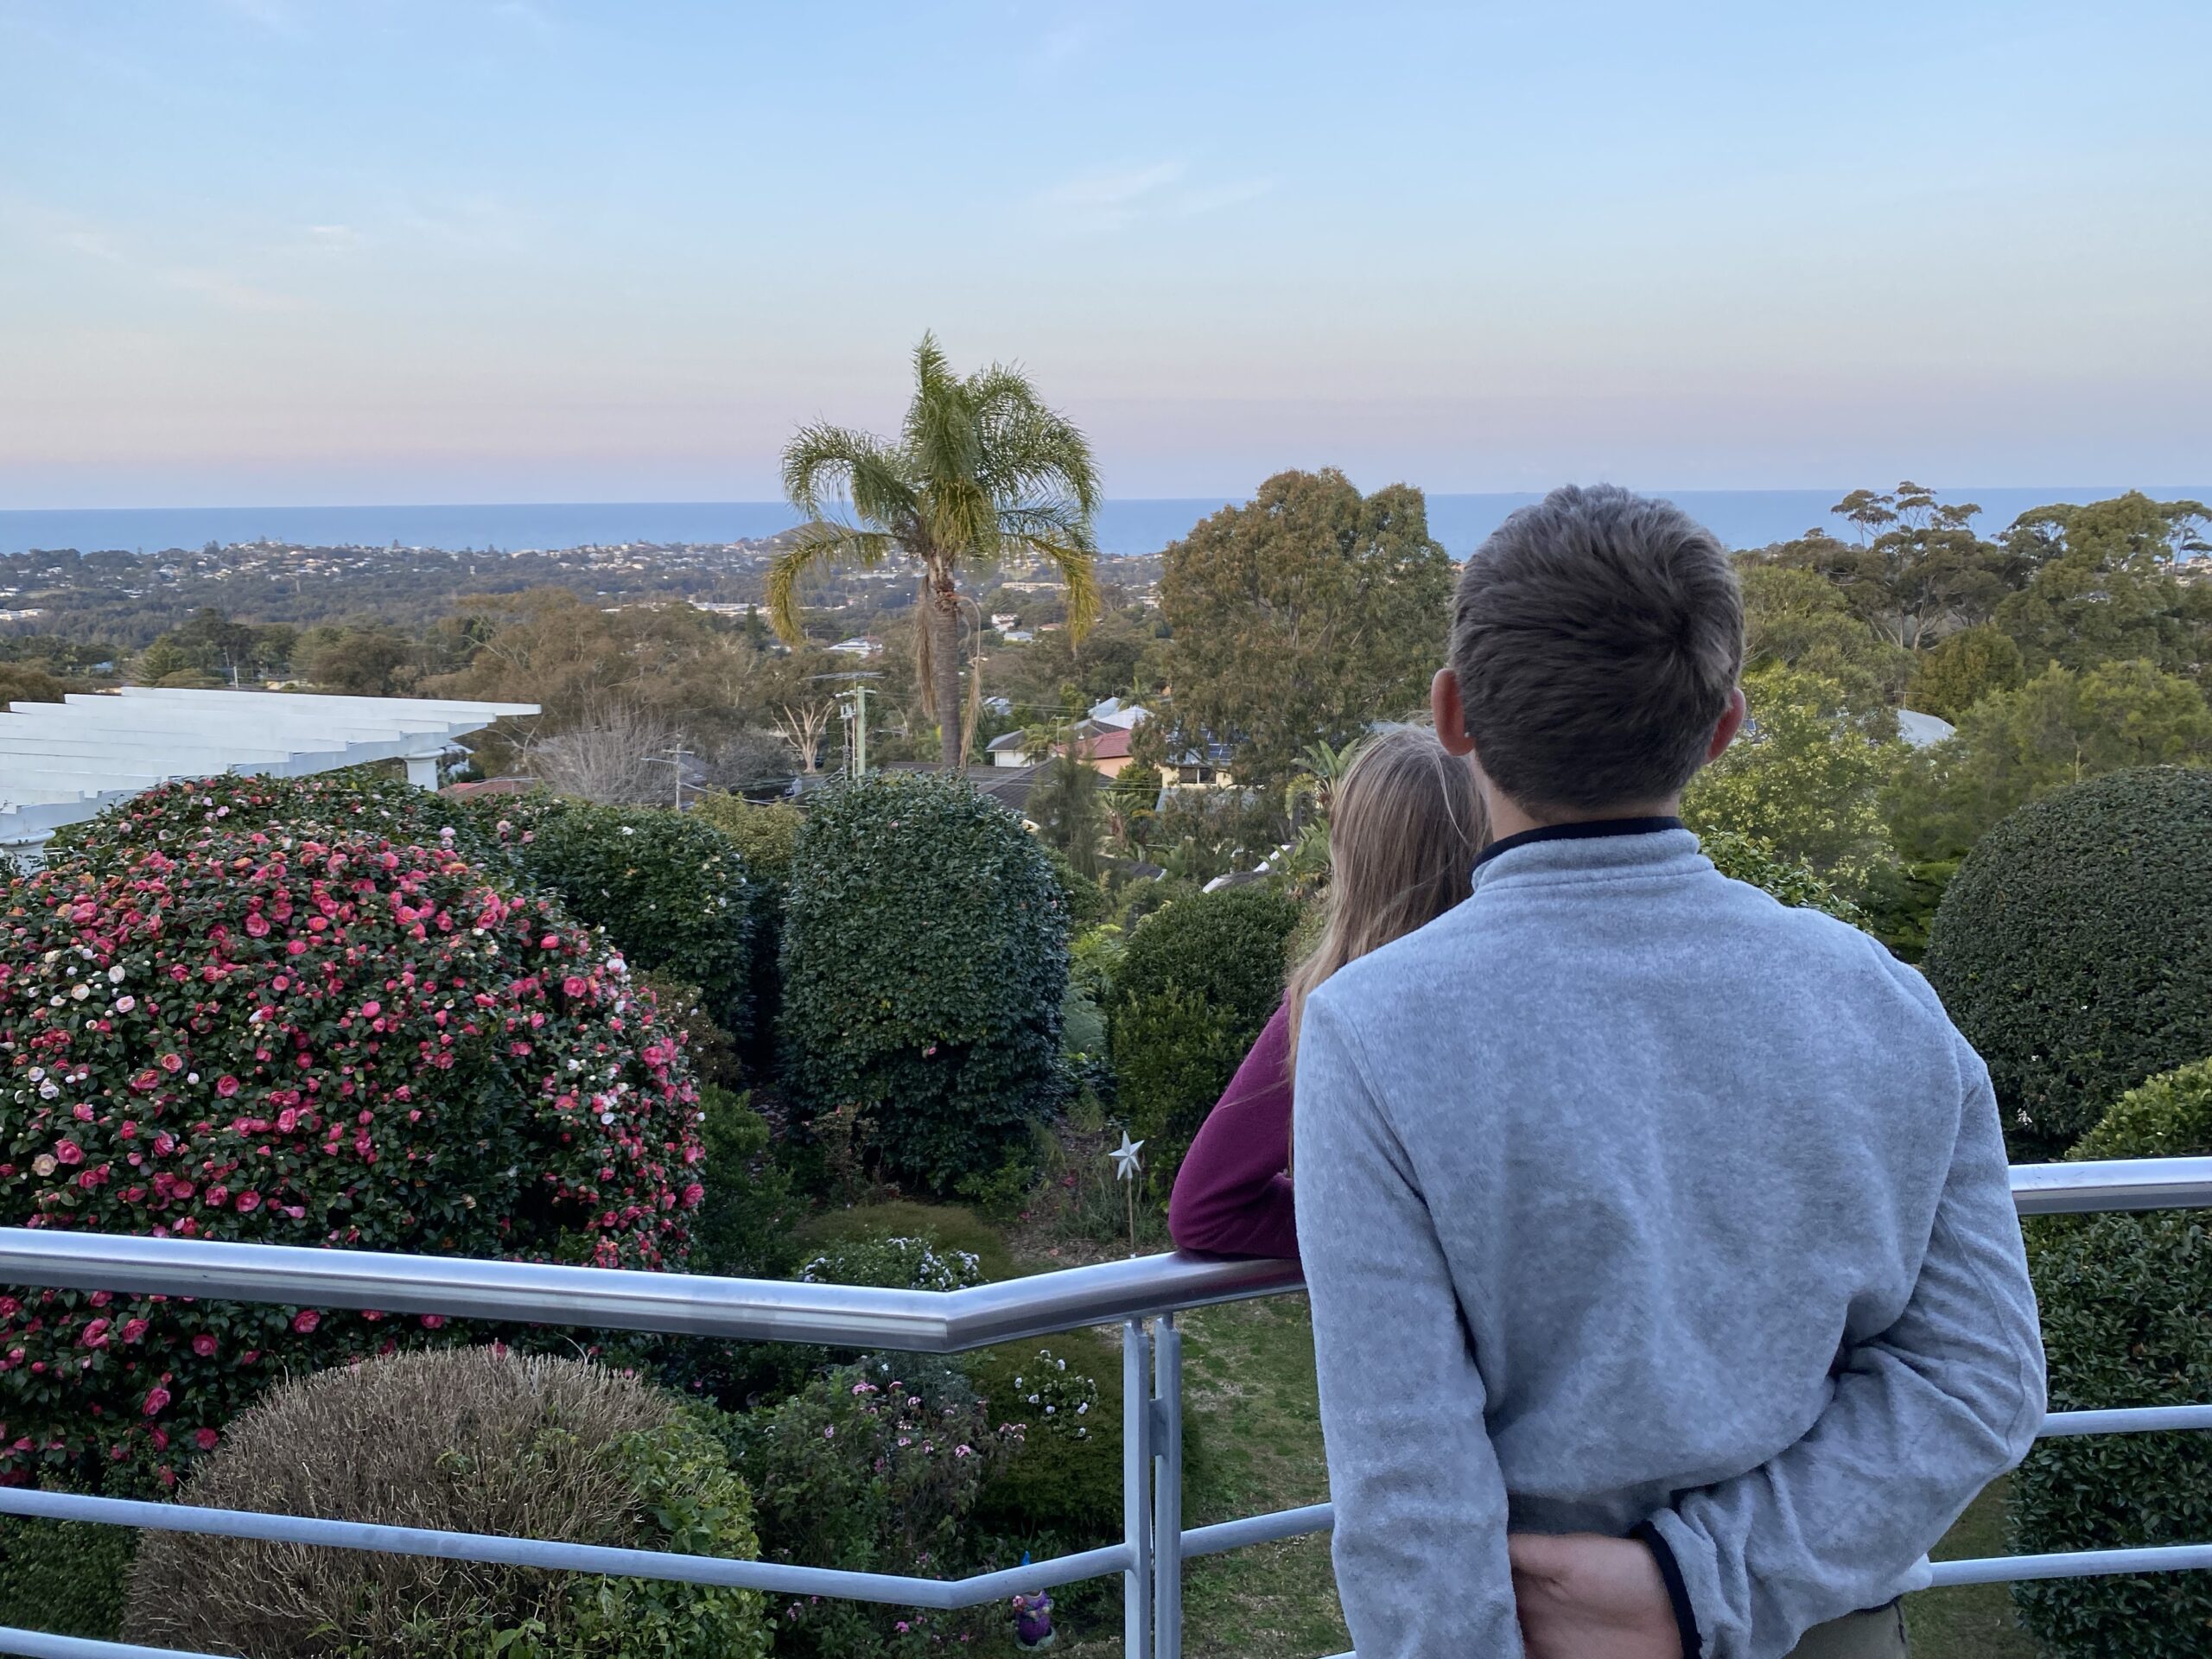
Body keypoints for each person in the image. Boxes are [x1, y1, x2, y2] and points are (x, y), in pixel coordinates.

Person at [1294, 485, 2044, 1659]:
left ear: (1452, 716)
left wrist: (1686, 1592)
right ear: (1722, 726)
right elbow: (1978, 1377)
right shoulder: (1878, 995)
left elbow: (1409, 1497)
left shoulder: (1375, 1028)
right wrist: (1709, 1584)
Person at [1167, 726, 1487, 1258]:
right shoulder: (1537, 986)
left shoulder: (1331, 1005)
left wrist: (1378, 1230)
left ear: (1352, 858)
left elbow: (1206, 1209)